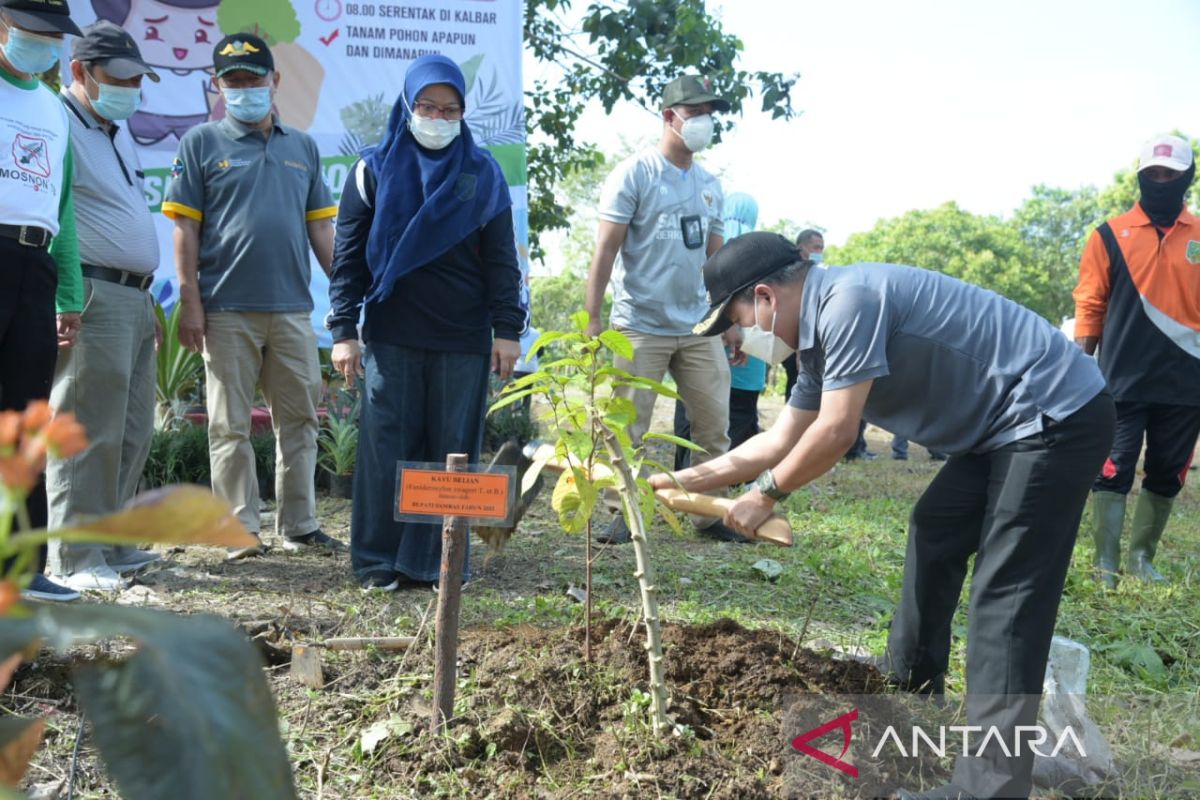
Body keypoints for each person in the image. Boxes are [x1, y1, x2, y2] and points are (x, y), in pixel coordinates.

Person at [652, 232, 1114, 799]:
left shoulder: (850, 303)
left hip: (1053, 412)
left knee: (1008, 595)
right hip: (1002, 430)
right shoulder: (820, 340)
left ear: (766, 298)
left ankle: (988, 788)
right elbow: (779, 437)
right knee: (935, 528)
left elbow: (835, 430)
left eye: (735, 316)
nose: (735, 332)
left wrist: (765, 495)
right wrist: (681, 480)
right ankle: (912, 685)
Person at [327, 55, 523, 592]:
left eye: (449, 108)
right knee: (385, 446)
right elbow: (348, 259)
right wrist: (344, 330)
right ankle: (376, 561)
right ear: (408, 106)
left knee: (450, 450)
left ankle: (438, 562)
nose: (437, 116)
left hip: (463, 337)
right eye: (427, 106)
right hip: (392, 332)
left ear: (463, 112)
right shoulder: (372, 169)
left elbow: (502, 261)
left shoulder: (482, 175)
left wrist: (508, 328)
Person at [163, 33, 343, 559]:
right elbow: (184, 232)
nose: (244, 90)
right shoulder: (200, 143)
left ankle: (300, 523)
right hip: (224, 310)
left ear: (275, 81)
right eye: (233, 82)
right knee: (228, 424)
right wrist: (190, 302)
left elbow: (322, 234)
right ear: (217, 86)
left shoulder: (302, 147)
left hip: (291, 310)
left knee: (301, 420)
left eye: (253, 79)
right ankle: (239, 529)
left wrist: (349, 297)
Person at [584, 75, 743, 544]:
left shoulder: (711, 185)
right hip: (639, 325)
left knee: (714, 425)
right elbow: (605, 250)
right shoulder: (634, 174)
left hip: (699, 326)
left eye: (709, 114)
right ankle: (619, 514)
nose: (703, 122)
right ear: (669, 116)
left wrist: (730, 321)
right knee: (626, 428)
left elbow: (719, 262)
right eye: (695, 113)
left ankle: (709, 515)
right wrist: (594, 319)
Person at [45, 20, 162, 592]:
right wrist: (67, 295)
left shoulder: (116, 130)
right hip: (93, 291)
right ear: (78, 72)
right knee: (86, 426)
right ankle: (74, 556)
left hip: (135, 296)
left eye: (137, 78)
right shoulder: (58, 121)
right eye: (117, 78)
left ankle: (112, 543)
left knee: (134, 427)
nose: (130, 87)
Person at [1074, 133, 1199, 588]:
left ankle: (1141, 561)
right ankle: (1105, 564)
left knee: (1168, 471)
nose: (1161, 181)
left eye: (1171, 174)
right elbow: (1090, 302)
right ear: (1141, 177)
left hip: (1187, 381)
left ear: (1188, 177)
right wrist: (1080, 366)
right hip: (1121, 377)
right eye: (1153, 174)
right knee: (1112, 468)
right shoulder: (1109, 234)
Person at [0, 0, 85, 602]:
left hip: (36, 262)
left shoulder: (55, 109)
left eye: (54, 37)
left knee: (26, 418)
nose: (47, 45)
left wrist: (71, 291)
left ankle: (22, 568)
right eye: (34, 34)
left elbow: (65, 208)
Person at [674, 191, 764, 471]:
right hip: (748, 347)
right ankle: (726, 475)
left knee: (691, 412)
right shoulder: (757, 249)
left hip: (699, 339)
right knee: (734, 415)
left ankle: (684, 472)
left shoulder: (705, 244)